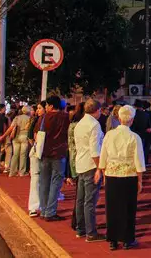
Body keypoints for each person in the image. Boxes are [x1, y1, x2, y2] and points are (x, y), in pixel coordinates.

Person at [97, 105, 145, 250]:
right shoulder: (134, 137)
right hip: (129, 175)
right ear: (131, 120)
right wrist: (140, 179)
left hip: (111, 173)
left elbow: (103, 155)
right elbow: (139, 159)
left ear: (119, 118)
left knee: (112, 207)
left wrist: (102, 171)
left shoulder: (109, 135)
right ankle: (127, 239)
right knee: (128, 207)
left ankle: (112, 239)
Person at [74, 100, 105, 242]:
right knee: (90, 201)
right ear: (97, 110)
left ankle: (81, 229)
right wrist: (100, 168)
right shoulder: (94, 125)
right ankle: (91, 233)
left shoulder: (80, 124)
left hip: (80, 163)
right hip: (91, 165)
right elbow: (94, 150)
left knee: (81, 200)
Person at [36, 96, 70, 221]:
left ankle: (44, 210)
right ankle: (50, 211)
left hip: (44, 152)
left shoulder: (43, 118)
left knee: (44, 182)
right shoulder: (65, 117)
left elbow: (37, 134)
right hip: (59, 153)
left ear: (50, 106)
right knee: (56, 182)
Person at [67, 103, 84, 231]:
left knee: (79, 194)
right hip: (80, 160)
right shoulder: (80, 126)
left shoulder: (72, 124)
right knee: (81, 195)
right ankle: (78, 222)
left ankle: (76, 221)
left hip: (73, 158)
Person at [27, 102, 45, 217]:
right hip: (37, 153)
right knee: (36, 179)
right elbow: (31, 136)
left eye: (40, 108)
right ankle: (34, 207)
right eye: (37, 108)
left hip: (39, 152)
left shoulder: (41, 120)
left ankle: (37, 206)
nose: (38, 110)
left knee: (39, 179)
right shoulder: (37, 121)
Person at [6, 105, 32, 177]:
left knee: (15, 154)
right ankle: (21, 172)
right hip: (24, 136)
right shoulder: (29, 118)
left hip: (16, 137)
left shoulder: (17, 117)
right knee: (23, 155)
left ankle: (12, 172)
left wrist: (4, 136)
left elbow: (11, 127)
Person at [131, 100, 151, 168]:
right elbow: (149, 127)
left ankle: (136, 164)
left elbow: (132, 126)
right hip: (145, 135)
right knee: (145, 149)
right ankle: (144, 163)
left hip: (135, 135)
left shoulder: (133, 115)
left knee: (136, 151)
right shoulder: (146, 115)